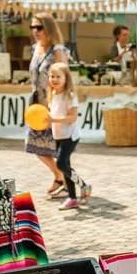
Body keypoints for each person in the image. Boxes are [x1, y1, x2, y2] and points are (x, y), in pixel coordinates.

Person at [27, 14, 70, 197]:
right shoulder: (36, 49)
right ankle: (60, 176)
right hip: (37, 104)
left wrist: (61, 102)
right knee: (35, 146)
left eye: (39, 27)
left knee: (57, 149)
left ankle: (69, 181)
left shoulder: (57, 50)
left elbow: (65, 77)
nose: (35, 31)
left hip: (53, 105)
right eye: (33, 28)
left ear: (48, 29)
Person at [47, 62, 89, 211]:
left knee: (61, 164)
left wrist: (52, 120)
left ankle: (82, 186)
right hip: (58, 135)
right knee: (66, 167)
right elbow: (53, 114)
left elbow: (72, 118)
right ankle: (73, 198)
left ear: (66, 78)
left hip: (70, 136)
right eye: (52, 76)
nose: (54, 79)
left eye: (58, 76)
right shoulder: (52, 94)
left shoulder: (69, 95)